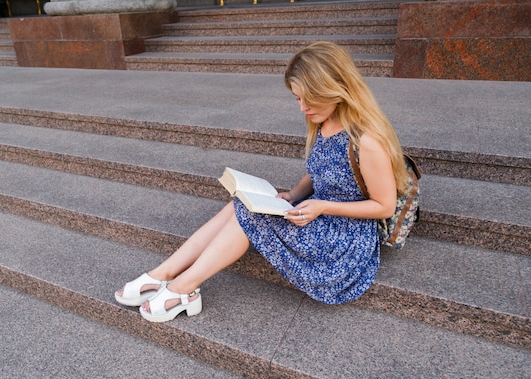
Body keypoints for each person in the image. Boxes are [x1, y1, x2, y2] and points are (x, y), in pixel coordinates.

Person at [115, 41, 409, 323]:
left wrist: (322, 206)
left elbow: (384, 207)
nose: (302, 107)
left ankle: (183, 289)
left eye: (310, 97)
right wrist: (293, 194)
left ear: (336, 89)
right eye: (297, 98)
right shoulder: (325, 122)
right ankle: (162, 275)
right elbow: (323, 169)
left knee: (248, 214)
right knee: (241, 202)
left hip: (343, 245)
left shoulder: (367, 140)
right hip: (317, 217)